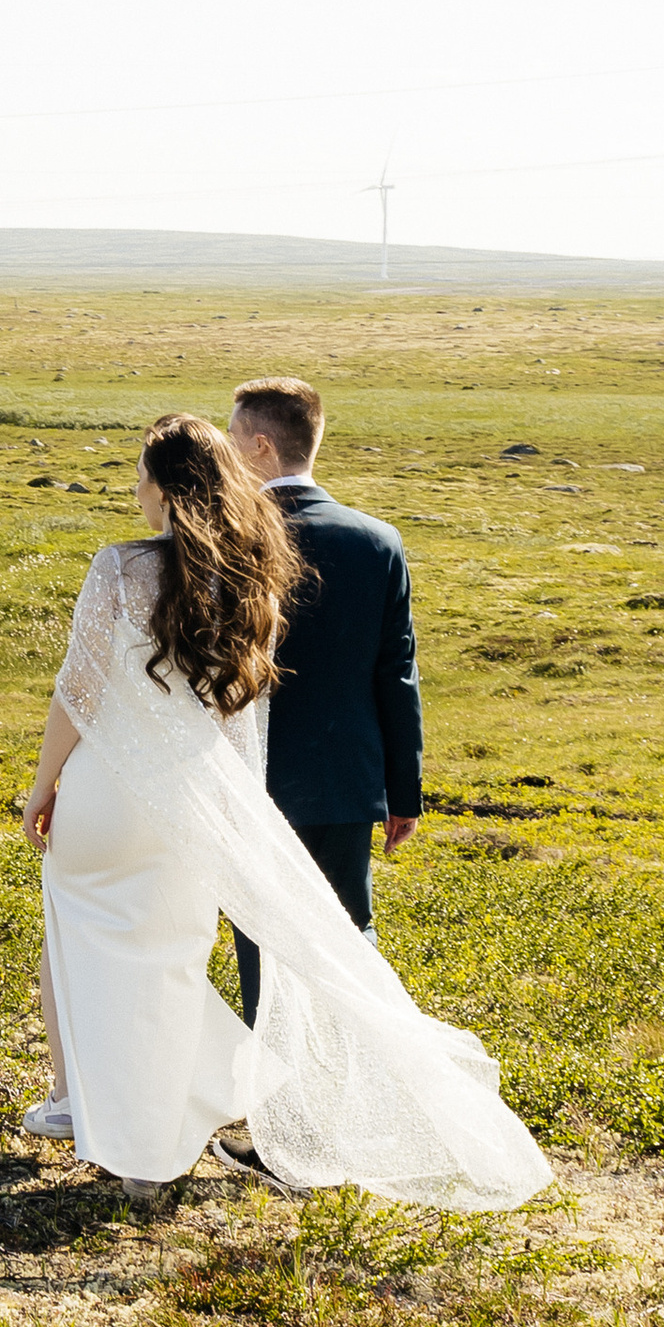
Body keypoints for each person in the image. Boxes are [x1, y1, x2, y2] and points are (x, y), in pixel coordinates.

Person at [17, 412, 550, 1215]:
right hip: (191, 805)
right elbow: (238, 713)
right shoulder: (247, 578)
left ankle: (90, 1108)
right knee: (171, 965)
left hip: (108, 796)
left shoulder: (119, 567)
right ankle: (148, 1145)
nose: (135, 490)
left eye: (140, 476)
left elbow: (80, 690)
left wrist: (44, 783)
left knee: (82, 950)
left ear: (162, 488)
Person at [221, 374, 418, 1024]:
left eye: (232, 435)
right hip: (345, 778)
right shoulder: (378, 540)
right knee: (348, 935)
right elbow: (396, 675)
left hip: (251, 776)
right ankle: (371, 1062)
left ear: (260, 445)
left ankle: (276, 1076)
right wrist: (403, 793)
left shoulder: (228, 539)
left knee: (262, 938)